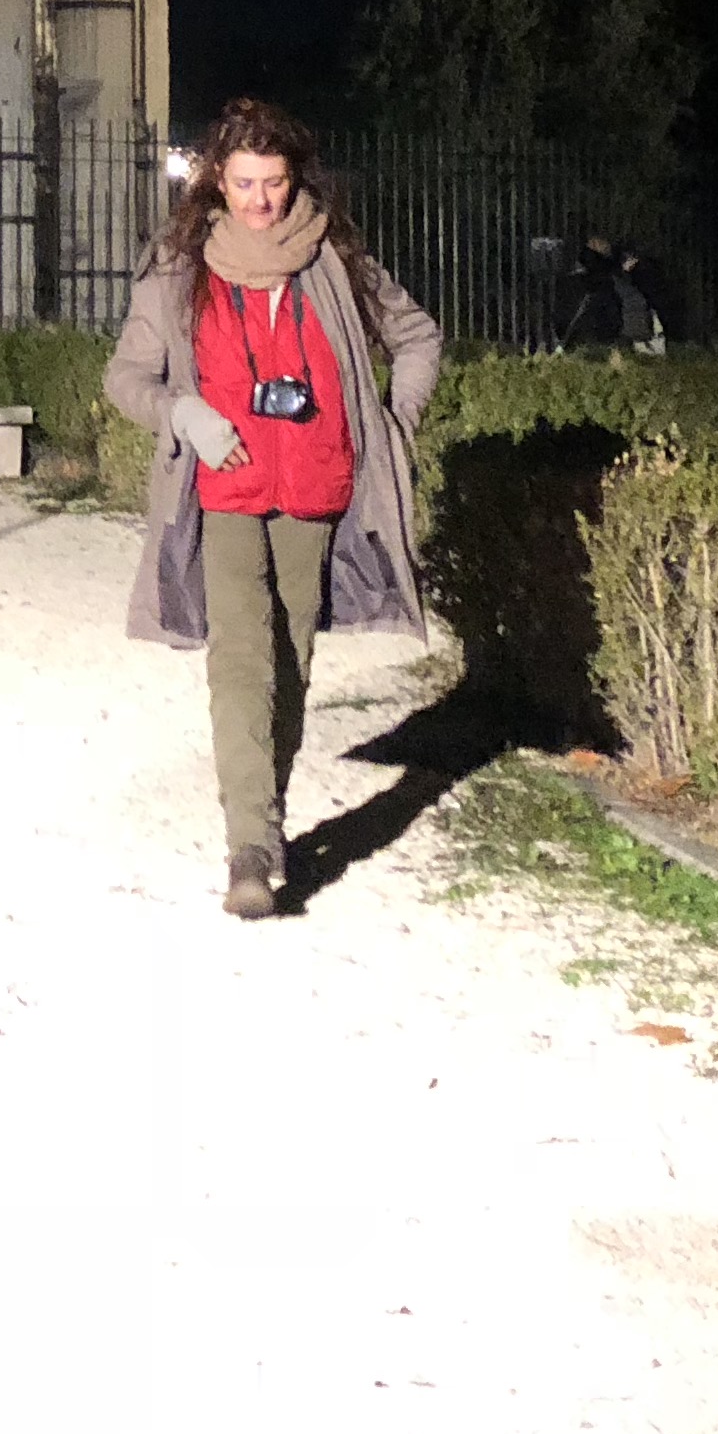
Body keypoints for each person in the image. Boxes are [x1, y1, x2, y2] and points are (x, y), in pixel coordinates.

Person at [108, 99, 444, 920]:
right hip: (223, 489)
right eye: (245, 182)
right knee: (239, 658)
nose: (261, 199)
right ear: (217, 182)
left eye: (275, 182)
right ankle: (249, 849)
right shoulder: (179, 265)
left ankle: (267, 817)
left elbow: (418, 338)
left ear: (296, 179)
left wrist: (389, 428)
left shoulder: (332, 256)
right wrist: (182, 413)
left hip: (315, 487)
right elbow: (126, 378)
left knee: (290, 661)